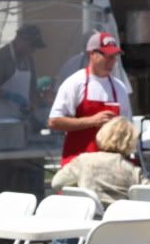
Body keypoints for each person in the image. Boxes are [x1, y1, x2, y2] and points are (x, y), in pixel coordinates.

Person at [49, 32, 133, 167]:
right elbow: (54, 121)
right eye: (107, 56)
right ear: (92, 54)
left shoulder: (119, 87)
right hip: (77, 164)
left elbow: (128, 126)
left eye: (114, 57)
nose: (111, 61)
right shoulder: (74, 83)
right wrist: (92, 121)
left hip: (108, 167)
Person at [51, 117, 145, 208]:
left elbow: (57, 183)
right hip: (120, 220)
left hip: (90, 217)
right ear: (131, 142)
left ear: (102, 134)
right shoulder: (132, 170)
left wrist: (80, 188)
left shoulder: (83, 161)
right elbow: (149, 194)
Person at [0, 23, 46, 123]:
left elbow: (33, 90)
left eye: (35, 47)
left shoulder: (29, 60)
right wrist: (7, 95)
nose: (33, 50)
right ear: (20, 41)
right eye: (31, 46)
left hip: (22, 119)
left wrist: (36, 106)